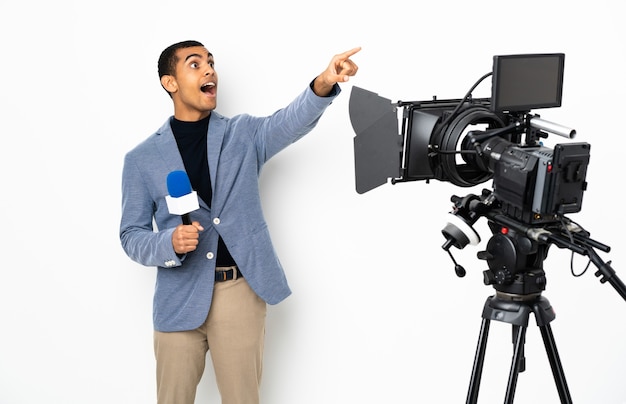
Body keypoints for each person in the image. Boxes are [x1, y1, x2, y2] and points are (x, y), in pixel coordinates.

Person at [119, 40, 360, 404]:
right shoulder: (141, 159)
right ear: (170, 83)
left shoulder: (242, 134)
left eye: (211, 63)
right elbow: (131, 234)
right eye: (195, 64)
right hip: (177, 298)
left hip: (238, 293)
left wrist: (324, 82)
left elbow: (288, 122)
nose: (210, 70)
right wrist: (167, 242)